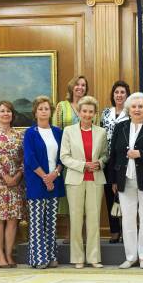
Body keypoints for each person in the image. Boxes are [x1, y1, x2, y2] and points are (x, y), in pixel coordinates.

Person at [108, 93, 143, 269]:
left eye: (141, 106)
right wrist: (113, 180)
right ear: (128, 109)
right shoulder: (121, 127)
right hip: (125, 180)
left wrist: (141, 154)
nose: (137, 109)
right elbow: (114, 154)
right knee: (128, 219)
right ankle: (131, 256)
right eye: (133, 106)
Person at [61, 96, 108, 269]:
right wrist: (83, 165)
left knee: (94, 220)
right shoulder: (68, 131)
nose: (87, 114)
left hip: (95, 180)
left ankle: (94, 258)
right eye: (84, 111)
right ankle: (78, 258)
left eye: (91, 111)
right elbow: (64, 156)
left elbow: (105, 155)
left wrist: (100, 163)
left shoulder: (101, 132)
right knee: (76, 219)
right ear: (79, 113)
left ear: (95, 114)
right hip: (75, 180)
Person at [23, 96, 65, 269]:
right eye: (40, 108)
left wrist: (54, 174)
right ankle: (39, 258)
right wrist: (45, 177)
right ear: (35, 112)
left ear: (51, 111)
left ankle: (51, 255)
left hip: (54, 181)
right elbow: (30, 158)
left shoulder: (57, 132)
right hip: (36, 182)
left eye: (46, 108)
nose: (43, 111)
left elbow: (63, 156)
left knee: (51, 222)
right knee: (37, 222)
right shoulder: (30, 133)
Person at [0, 101, 26, 268]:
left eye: (8, 111)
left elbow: (25, 158)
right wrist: (5, 177)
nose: (6, 113)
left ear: (12, 115)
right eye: (2, 111)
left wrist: (17, 176)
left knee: (13, 219)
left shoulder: (19, 135)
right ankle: (0, 255)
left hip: (16, 183)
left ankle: (9, 254)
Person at [53, 76, 92, 241]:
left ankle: (83, 235)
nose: (80, 87)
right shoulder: (62, 106)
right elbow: (56, 131)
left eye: (83, 85)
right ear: (71, 87)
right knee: (70, 200)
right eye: (77, 84)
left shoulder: (89, 106)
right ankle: (71, 235)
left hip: (86, 160)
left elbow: (94, 130)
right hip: (68, 160)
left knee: (85, 199)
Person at [99, 81, 130, 244]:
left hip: (125, 159)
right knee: (110, 195)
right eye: (116, 92)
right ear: (113, 95)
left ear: (127, 95)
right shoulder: (105, 113)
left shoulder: (131, 113)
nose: (119, 95)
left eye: (122, 92)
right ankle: (114, 231)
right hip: (107, 160)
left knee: (125, 195)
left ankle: (126, 230)